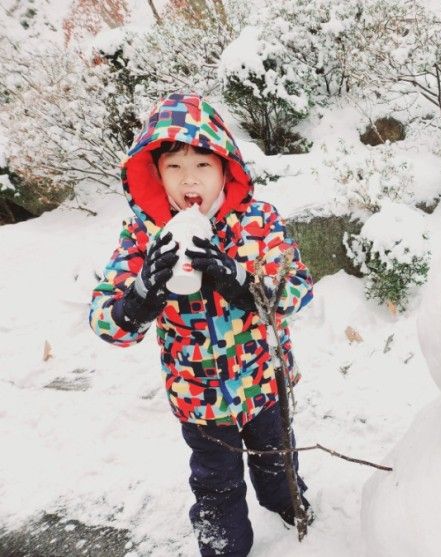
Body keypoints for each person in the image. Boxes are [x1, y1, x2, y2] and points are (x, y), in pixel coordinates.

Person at [89, 93, 314, 556]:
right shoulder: (144, 234)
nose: (189, 178)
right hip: (199, 398)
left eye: (202, 165)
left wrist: (241, 283)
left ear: (226, 169)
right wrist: (140, 297)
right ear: (155, 174)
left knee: (276, 461)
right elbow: (105, 320)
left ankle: (288, 505)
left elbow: (300, 287)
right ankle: (224, 544)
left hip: (264, 382)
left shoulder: (258, 221)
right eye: (174, 166)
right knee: (216, 483)